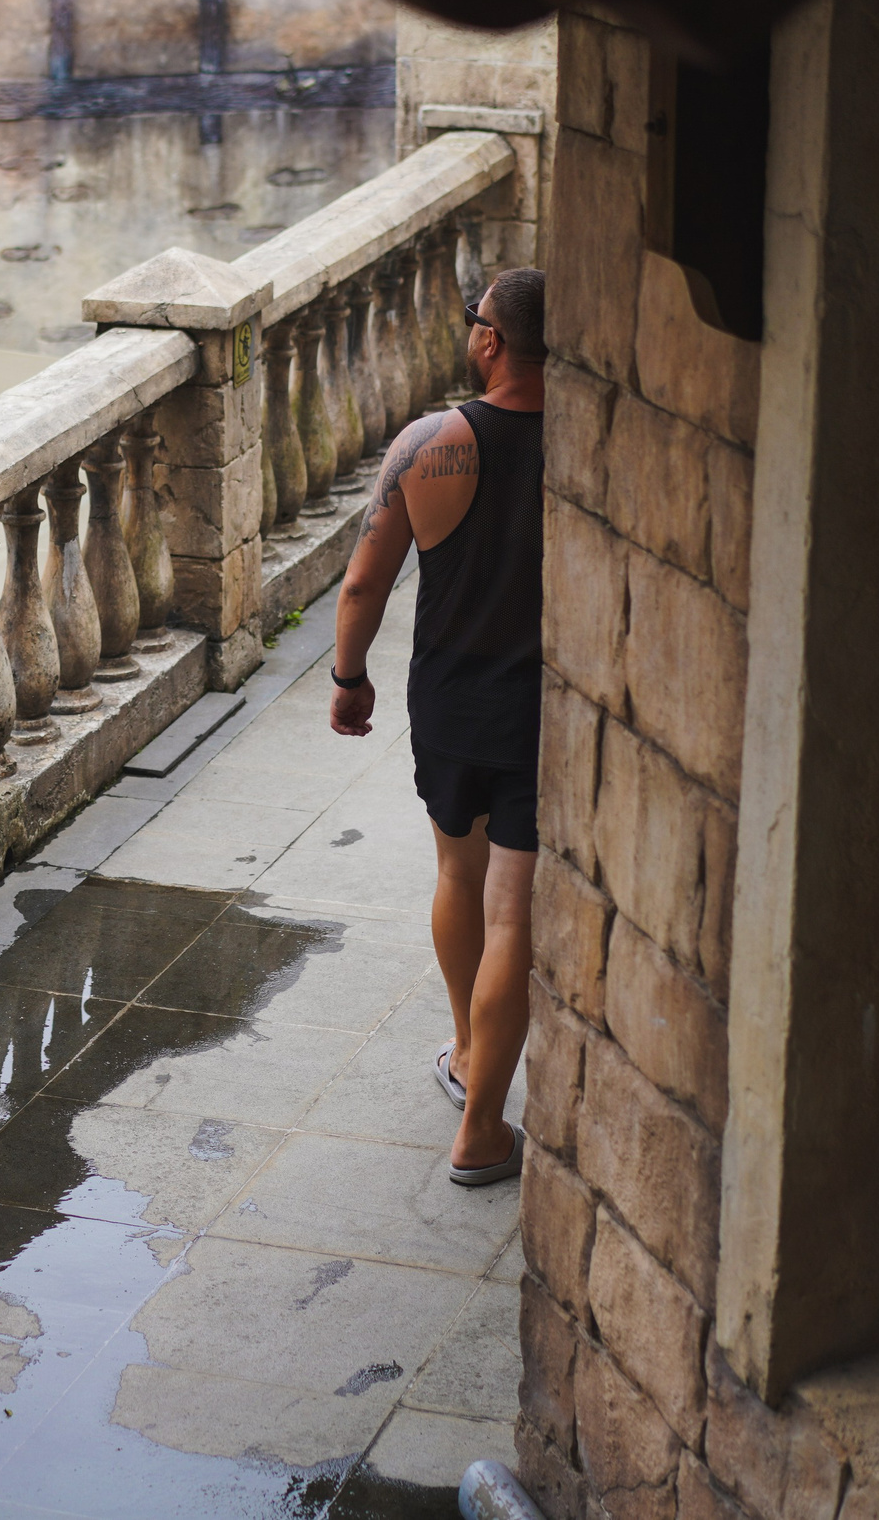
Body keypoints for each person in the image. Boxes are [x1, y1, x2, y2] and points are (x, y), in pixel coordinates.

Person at [329, 267, 546, 1189]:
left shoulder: (430, 444)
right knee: (516, 910)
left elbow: (363, 583)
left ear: (491, 341)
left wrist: (349, 677)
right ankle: (482, 1122)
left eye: (473, 319)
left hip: (451, 700)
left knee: (459, 873)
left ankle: (467, 1058)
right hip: (544, 710)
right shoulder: (597, 439)